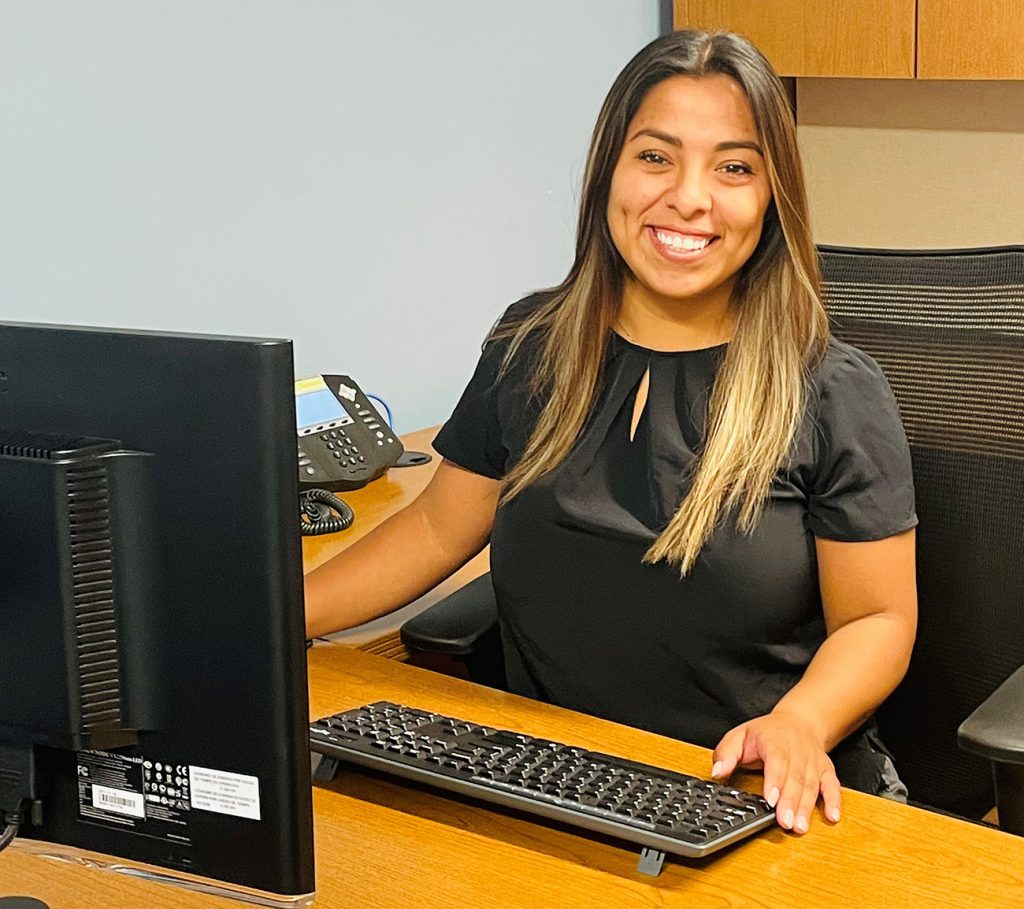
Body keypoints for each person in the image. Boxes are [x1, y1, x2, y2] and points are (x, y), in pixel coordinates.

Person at [304, 29, 918, 837]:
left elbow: (878, 620)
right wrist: (274, 614)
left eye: (734, 167)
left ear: (772, 197)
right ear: (609, 174)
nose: (690, 198)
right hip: (563, 784)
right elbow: (431, 524)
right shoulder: (532, 348)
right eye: (656, 157)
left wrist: (802, 721)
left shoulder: (831, 391)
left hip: (761, 794)